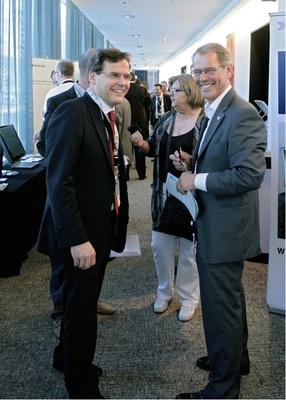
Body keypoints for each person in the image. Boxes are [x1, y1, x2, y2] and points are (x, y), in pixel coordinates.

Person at [36, 48, 130, 399]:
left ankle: (66, 358)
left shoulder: (109, 114)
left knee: (80, 305)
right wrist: (77, 239)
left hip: (101, 226)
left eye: (126, 76)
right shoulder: (72, 114)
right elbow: (59, 181)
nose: (122, 82)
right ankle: (80, 383)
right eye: (114, 75)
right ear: (93, 77)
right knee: (80, 312)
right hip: (79, 235)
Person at [175, 43, 267, 399]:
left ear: (228, 69)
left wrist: (194, 180)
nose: (202, 77)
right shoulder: (214, 109)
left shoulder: (240, 112)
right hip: (218, 223)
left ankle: (223, 388)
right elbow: (223, 159)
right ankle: (234, 359)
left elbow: (248, 175)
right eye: (197, 72)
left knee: (219, 308)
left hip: (226, 228)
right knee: (230, 299)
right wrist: (192, 164)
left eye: (209, 70)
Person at [131, 74, 204, 321]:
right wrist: (143, 144)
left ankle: (188, 299)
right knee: (159, 246)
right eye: (171, 90)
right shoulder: (166, 119)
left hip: (192, 196)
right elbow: (153, 147)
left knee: (188, 251)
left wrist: (190, 161)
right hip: (164, 194)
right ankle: (164, 292)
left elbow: (212, 160)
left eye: (175, 90)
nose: (170, 93)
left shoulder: (205, 122)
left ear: (189, 92)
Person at [125, 71, 151, 180]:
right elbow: (149, 103)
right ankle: (141, 174)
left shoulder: (123, 90)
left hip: (126, 122)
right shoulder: (142, 90)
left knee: (126, 147)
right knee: (140, 147)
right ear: (135, 79)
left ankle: (126, 174)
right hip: (140, 122)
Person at [115, 97, 134, 180]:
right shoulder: (125, 101)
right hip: (126, 142)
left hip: (121, 145)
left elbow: (117, 128)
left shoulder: (117, 103)